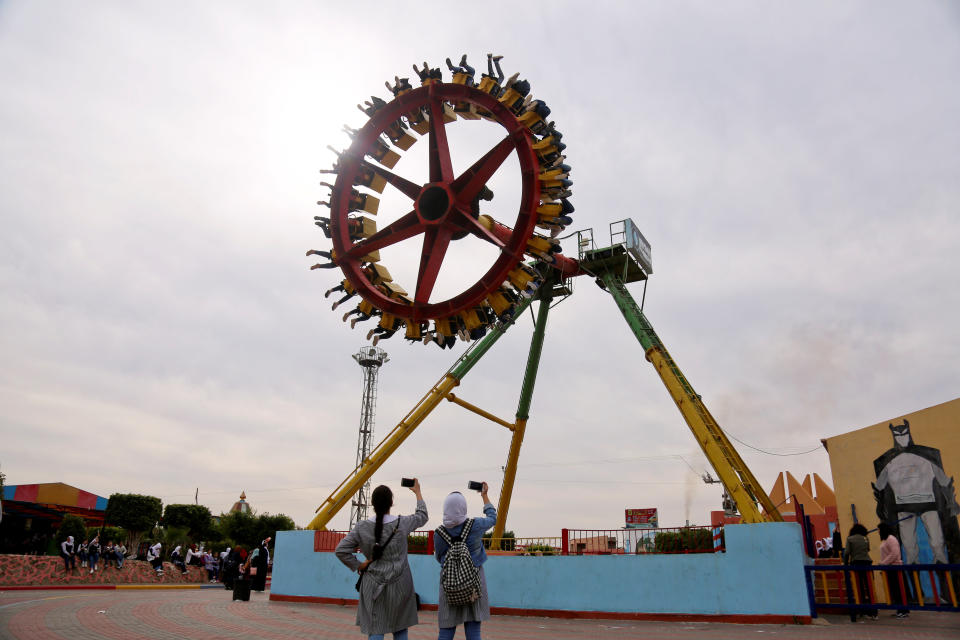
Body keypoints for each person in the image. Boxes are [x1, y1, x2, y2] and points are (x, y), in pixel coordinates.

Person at [335, 479, 428, 640]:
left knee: (376, 628)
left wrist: (359, 565)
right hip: (400, 583)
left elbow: (341, 550)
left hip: (372, 584)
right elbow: (422, 516)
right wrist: (418, 492)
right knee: (400, 628)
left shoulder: (361, 527)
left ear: (372, 503)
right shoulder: (402, 523)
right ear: (392, 502)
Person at [434, 483, 497, 640]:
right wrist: (484, 495)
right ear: (463, 507)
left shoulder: (439, 533)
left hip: (449, 585)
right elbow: (493, 518)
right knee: (474, 630)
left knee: (446, 630)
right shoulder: (475, 525)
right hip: (473, 584)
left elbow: (439, 558)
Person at [843, 523, 877, 621]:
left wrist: (845, 564)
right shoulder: (865, 538)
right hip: (867, 563)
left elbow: (847, 553)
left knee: (860, 588)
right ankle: (873, 612)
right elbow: (867, 549)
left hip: (856, 563)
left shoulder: (850, 539)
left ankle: (862, 610)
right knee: (870, 587)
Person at [878, 522, 910, 618]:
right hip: (890, 568)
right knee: (895, 590)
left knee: (898, 589)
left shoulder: (891, 539)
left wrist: (884, 563)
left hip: (895, 568)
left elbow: (894, 554)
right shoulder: (886, 540)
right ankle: (900, 609)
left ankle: (903, 611)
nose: (878, 531)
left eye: (879, 529)